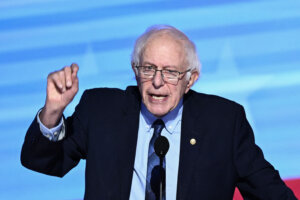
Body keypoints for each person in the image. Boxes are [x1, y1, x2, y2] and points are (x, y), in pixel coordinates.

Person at [21, 25, 297, 200]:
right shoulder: (101, 109)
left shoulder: (223, 123)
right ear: (135, 71)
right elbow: (44, 162)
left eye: (171, 72)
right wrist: (52, 113)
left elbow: (271, 194)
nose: (157, 82)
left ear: (191, 79)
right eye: (148, 69)